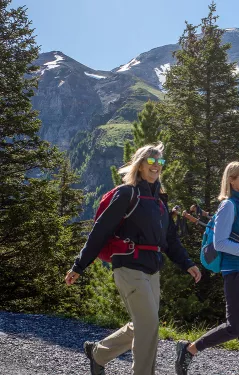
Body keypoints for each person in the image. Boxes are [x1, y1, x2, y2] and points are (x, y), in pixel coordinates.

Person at [64, 142, 201, 375]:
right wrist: (79, 265)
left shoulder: (160, 202)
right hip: (128, 267)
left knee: (143, 324)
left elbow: (170, 240)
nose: (156, 166)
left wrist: (188, 263)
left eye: (160, 162)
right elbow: (100, 231)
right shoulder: (126, 194)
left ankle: (98, 353)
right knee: (149, 325)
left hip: (152, 270)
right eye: (151, 161)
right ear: (139, 165)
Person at [174, 161, 239, 375]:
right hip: (237, 272)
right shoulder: (229, 205)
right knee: (235, 327)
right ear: (231, 180)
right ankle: (190, 350)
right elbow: (220, 243)